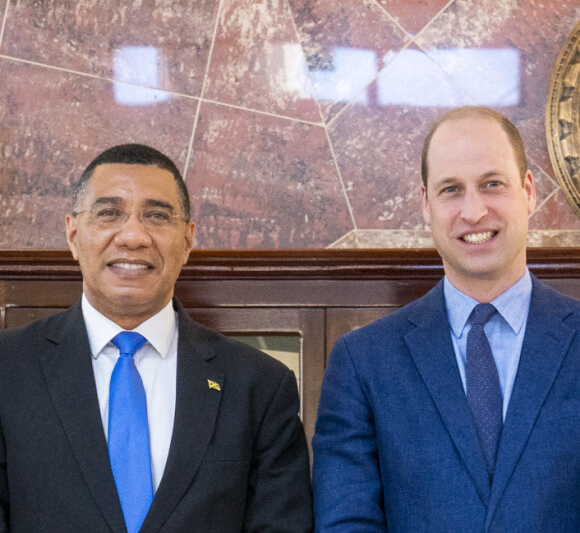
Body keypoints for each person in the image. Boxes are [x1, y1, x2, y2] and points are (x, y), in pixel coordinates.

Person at [0, 144, 313, 532]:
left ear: (187, 240)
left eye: (157, 216)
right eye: (109, 213)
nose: (133, 236)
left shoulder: (259, 385)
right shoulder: (9, 369)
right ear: (73, 233)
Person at [313, 106, 580, 531]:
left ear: (528, 191)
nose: (473, 212)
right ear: (426, 205)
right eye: (451, 189)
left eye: (492, 184)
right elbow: (347, 522)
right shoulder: (364, 361)